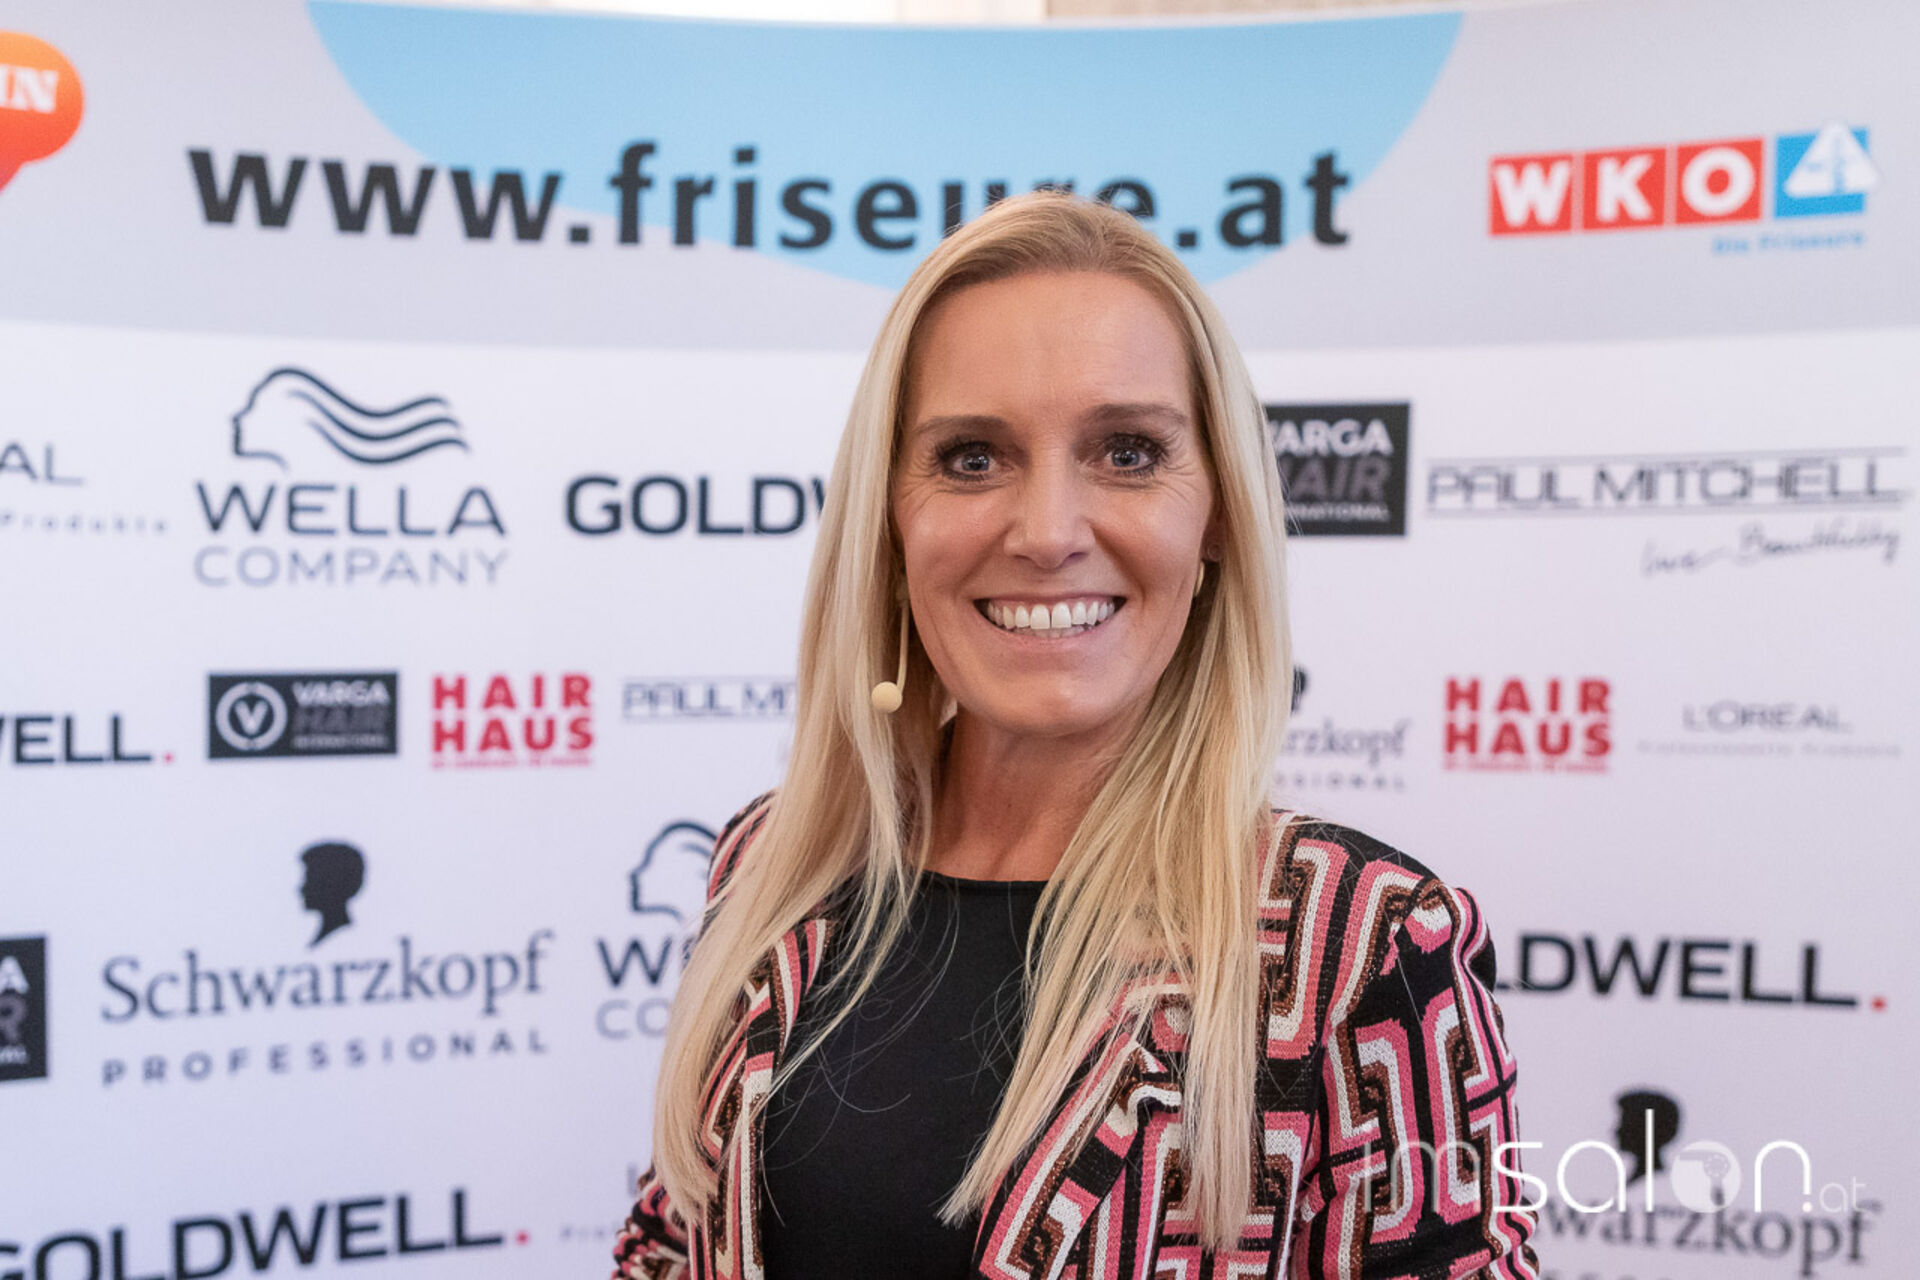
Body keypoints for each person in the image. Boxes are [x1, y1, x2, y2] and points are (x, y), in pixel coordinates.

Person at [614, 192, 1538, 1278]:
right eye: (972, 457)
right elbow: (667, 1249)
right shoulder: (775, 865)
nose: (1048, 532)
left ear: (1217, 518)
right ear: (890, 521)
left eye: (1128, 452)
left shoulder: (1358, 942)